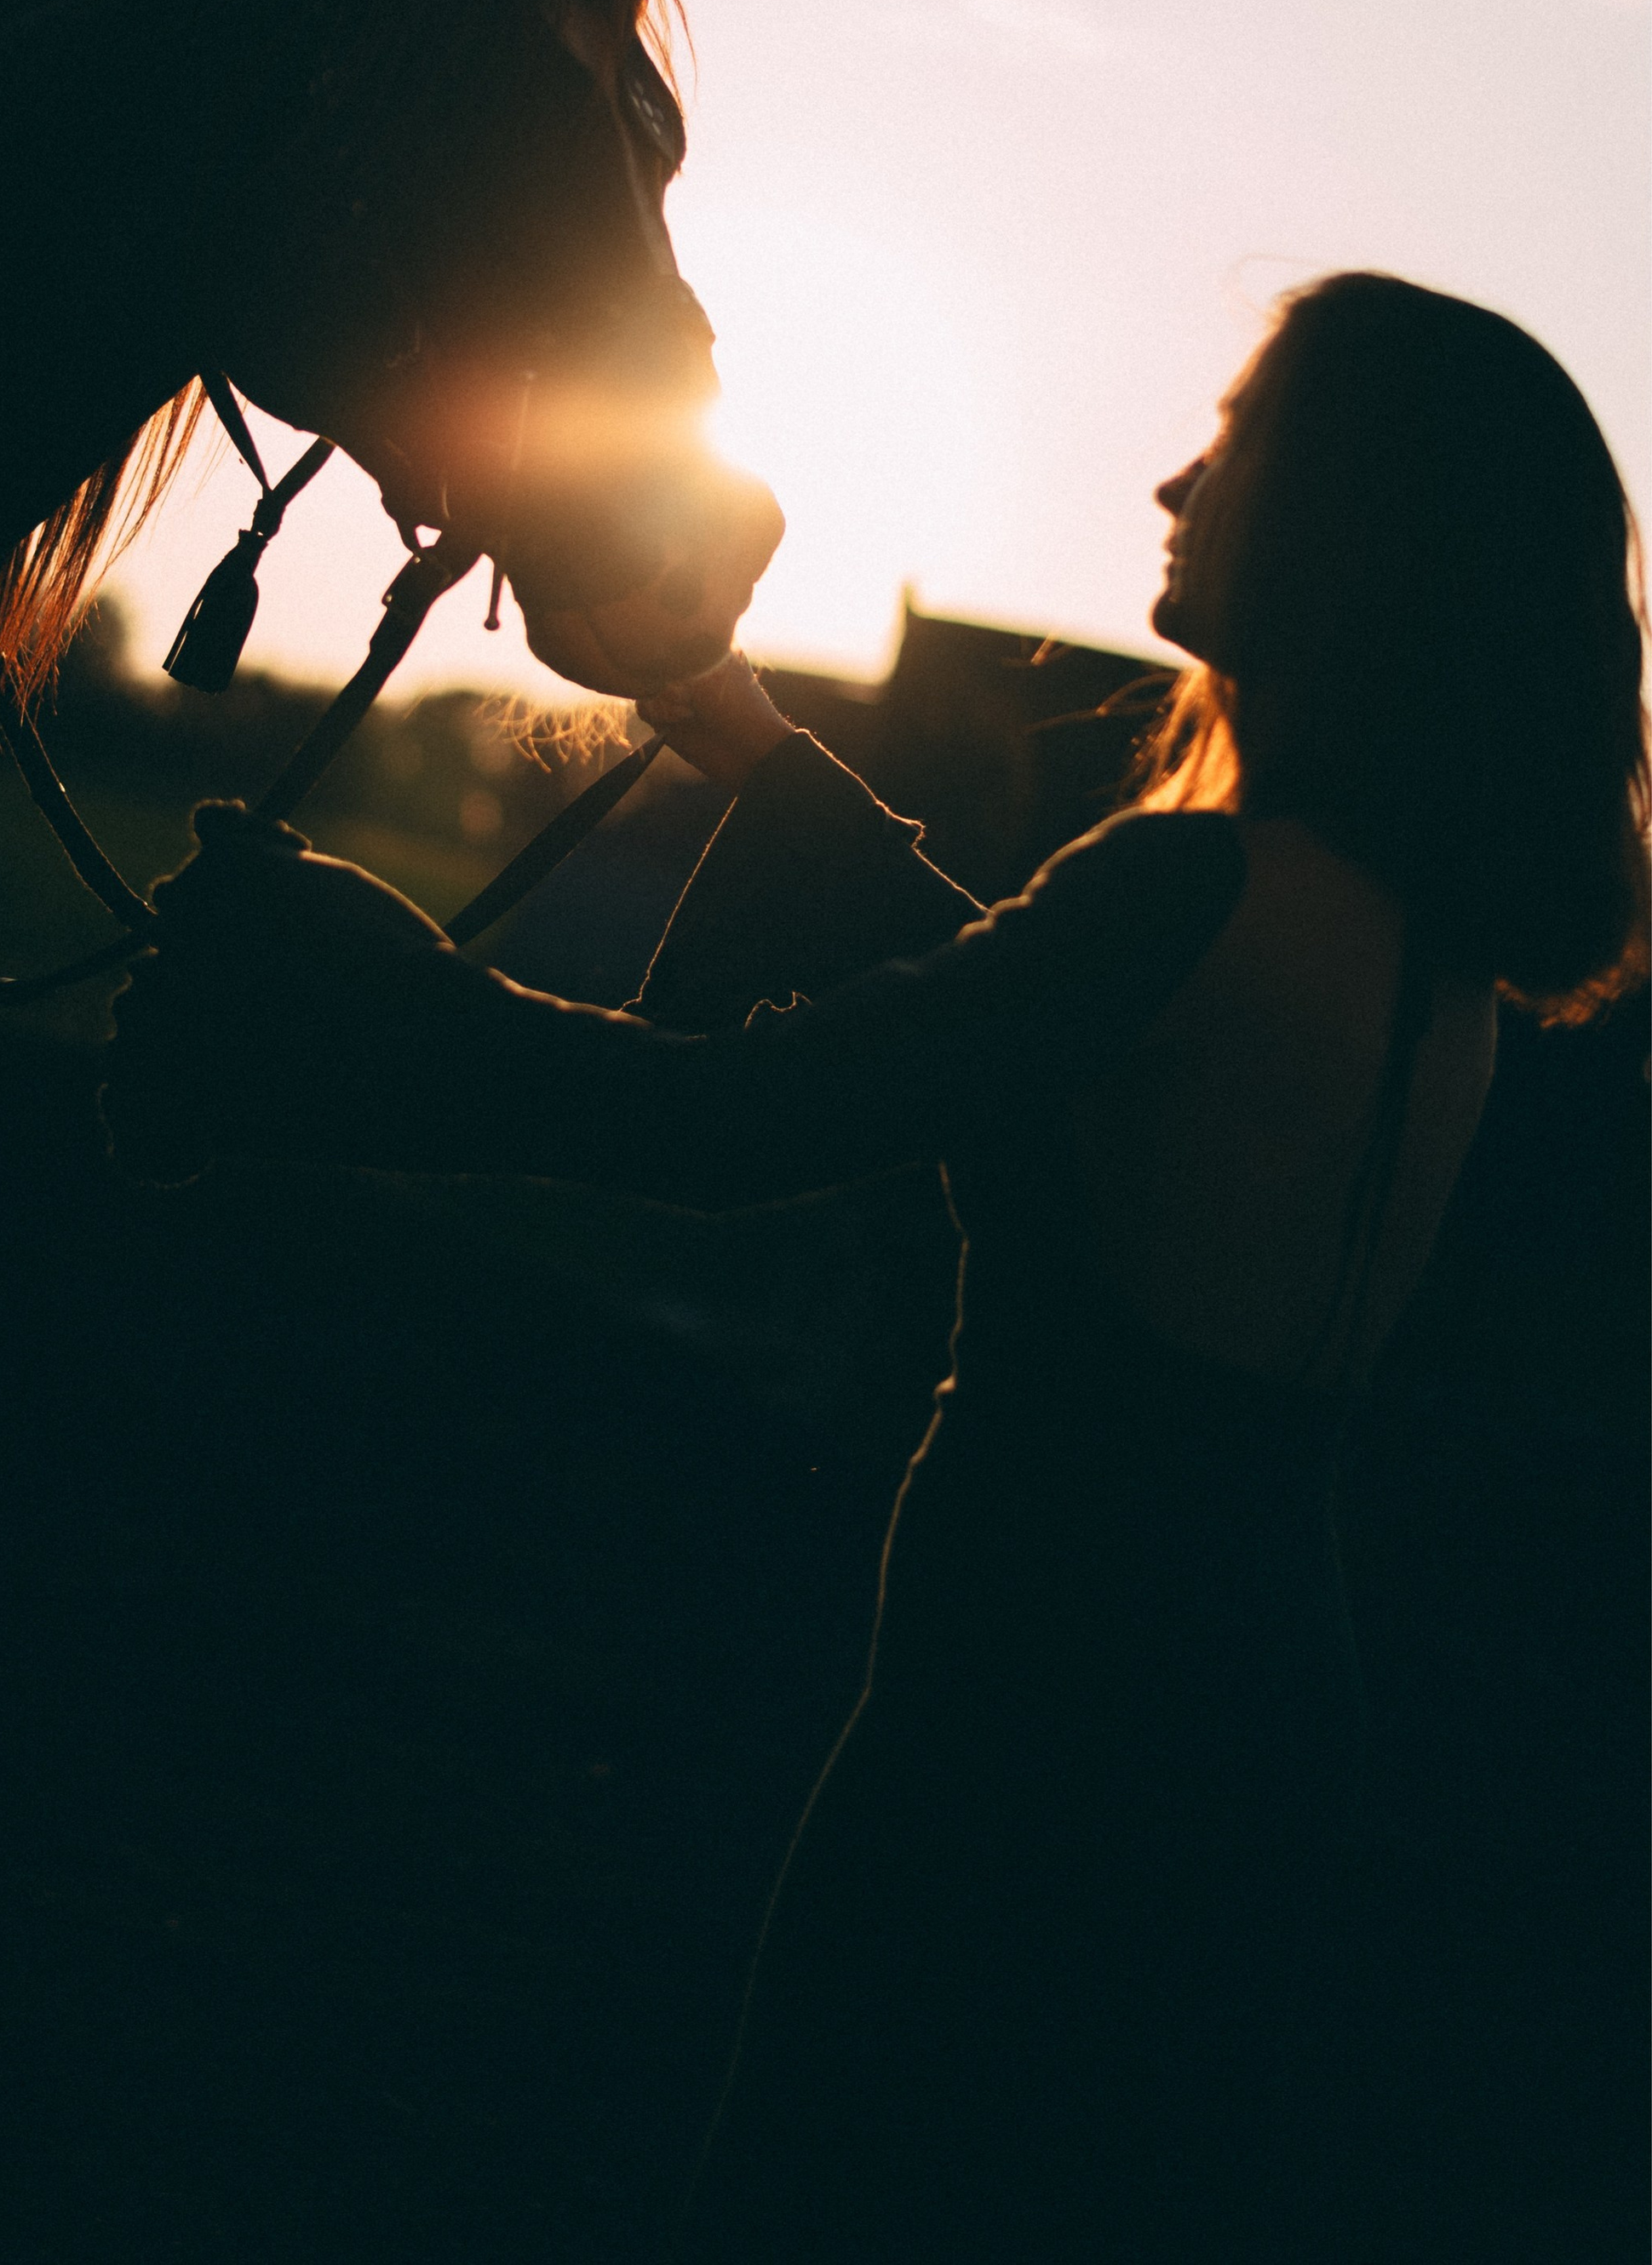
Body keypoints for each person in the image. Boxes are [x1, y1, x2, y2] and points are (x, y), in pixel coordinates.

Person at [106, 272, 1647, 2258]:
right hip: (1247, 1705)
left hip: (1034, 1700)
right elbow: (999, 1035)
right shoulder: (1414, 962)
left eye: (1235, 443)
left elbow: (739, 1118)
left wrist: (345, 993)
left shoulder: (1190, 887)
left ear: (1346, 527)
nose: (1174, 481)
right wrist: (727, 726)